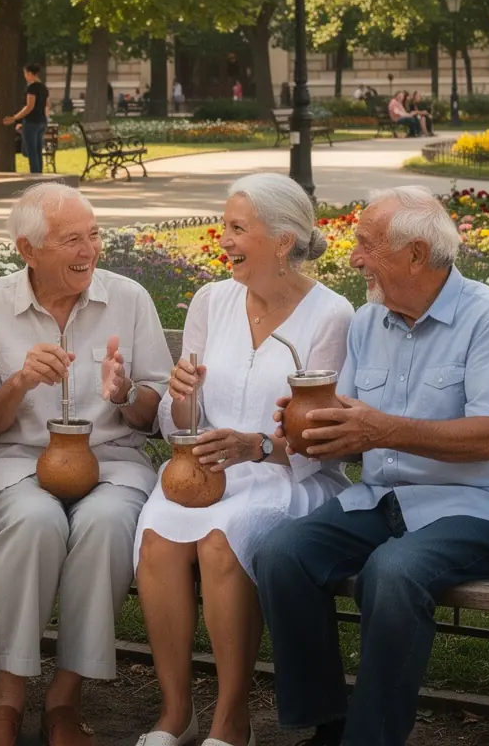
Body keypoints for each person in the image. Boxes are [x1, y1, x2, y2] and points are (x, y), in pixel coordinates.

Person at [253, 187, 489, 746]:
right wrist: (312, 431)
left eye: (366, 244)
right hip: (383, 500)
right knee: (282, 554)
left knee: (394, 571)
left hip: (482, 508)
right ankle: (329, 725)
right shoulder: (368, 321)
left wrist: (381, 429)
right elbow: (355, 427)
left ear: (414, 254)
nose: (354, 256)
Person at [134, 174, 353, 746]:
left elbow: (327, 433)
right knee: (158, 534)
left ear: (282, 242)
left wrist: (257, 446)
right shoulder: (212, 300)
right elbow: (181, 424)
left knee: (222, 538)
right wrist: (181, 396)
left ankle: (232, 720)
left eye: (237, 229)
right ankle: (174, 714)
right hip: (204, 470)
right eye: (224, 226)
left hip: (287, 475)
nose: (223, 240)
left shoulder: (332, 316)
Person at [0, 183, 172, 746]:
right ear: (28, 249)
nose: (89, 250)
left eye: (94, 235)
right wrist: (21, 381)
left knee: (105, 524)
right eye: (71, 239)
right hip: (13, 461)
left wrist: (124, 392)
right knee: (36, 521)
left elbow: (157, 415)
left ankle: (66, 699)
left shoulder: (129, 298)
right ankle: (6, 699)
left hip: (113, 460)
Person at [3, 63, 48, 175]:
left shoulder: (32, 88)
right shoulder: (43, 87)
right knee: (37, 150)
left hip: (31, 122)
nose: (24, 76)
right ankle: (39, 174)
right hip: (41, 121)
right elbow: (47, 104)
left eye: (25, 73)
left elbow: (29, 106)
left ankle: (34, 175)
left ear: (29, 73)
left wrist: (14, 118)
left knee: (31, 150)